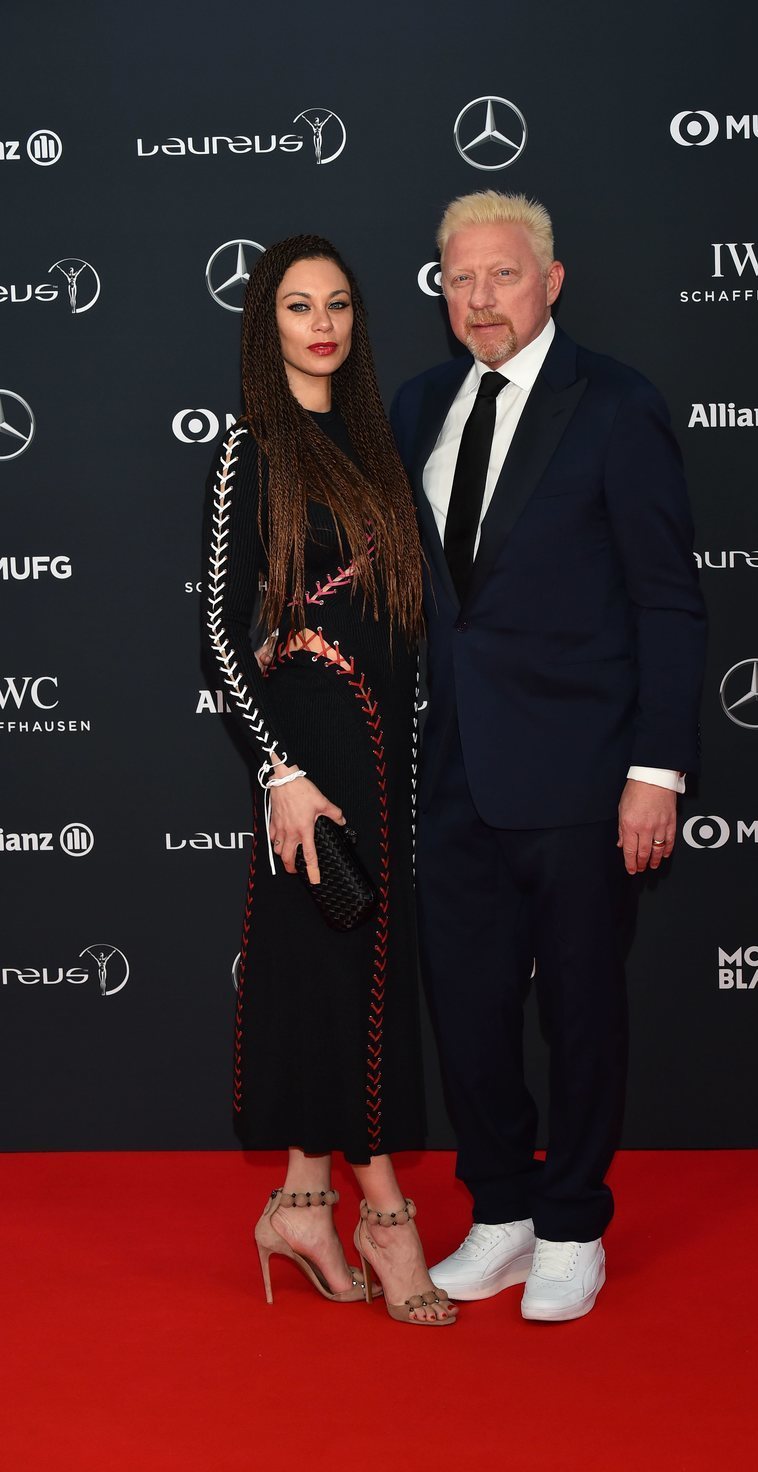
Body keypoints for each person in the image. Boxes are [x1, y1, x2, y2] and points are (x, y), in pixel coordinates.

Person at [390, 193, 706, 1322]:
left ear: (551, 281)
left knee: (578, 1006)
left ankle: (572, 1220)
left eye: (502, 276)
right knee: (467, 1009)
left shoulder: (615, 406)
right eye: (459, 280)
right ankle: (501, 1210)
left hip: (580, 773)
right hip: (449, 770)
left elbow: (668, 601)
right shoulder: (418, 403)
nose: (479, 299)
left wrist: (655, 771)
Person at [203, 234, 455, 1326]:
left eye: (339, 303)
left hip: (388, 754)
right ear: (268, 326)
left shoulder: (372, 443)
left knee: (354, 974)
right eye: (299, 305)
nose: (322, 322)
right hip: (310, 755)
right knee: (339, 971)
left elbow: (407, 619)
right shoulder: (248, 450)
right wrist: (279, 772)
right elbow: (218, 634)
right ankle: (383, 1211)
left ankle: (303, 1201)